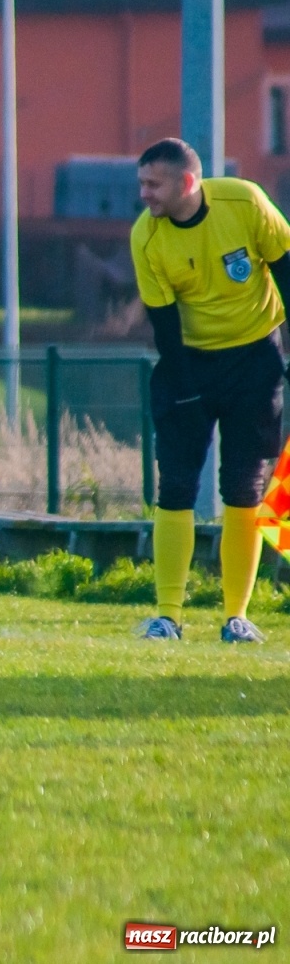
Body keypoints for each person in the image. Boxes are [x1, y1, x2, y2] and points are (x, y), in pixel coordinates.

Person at [131, 137, 290, 642]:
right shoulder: (147, 237)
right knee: (176, 487)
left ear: (187, 182)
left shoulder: (245, 203)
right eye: (142, 184)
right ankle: (167, 615)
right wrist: (180, 385)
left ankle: (236, 618)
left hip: (254, 358)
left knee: (243, 488)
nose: (145, 196)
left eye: (153, 185)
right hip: (191, 363)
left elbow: (288, 271)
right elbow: (163, 323)